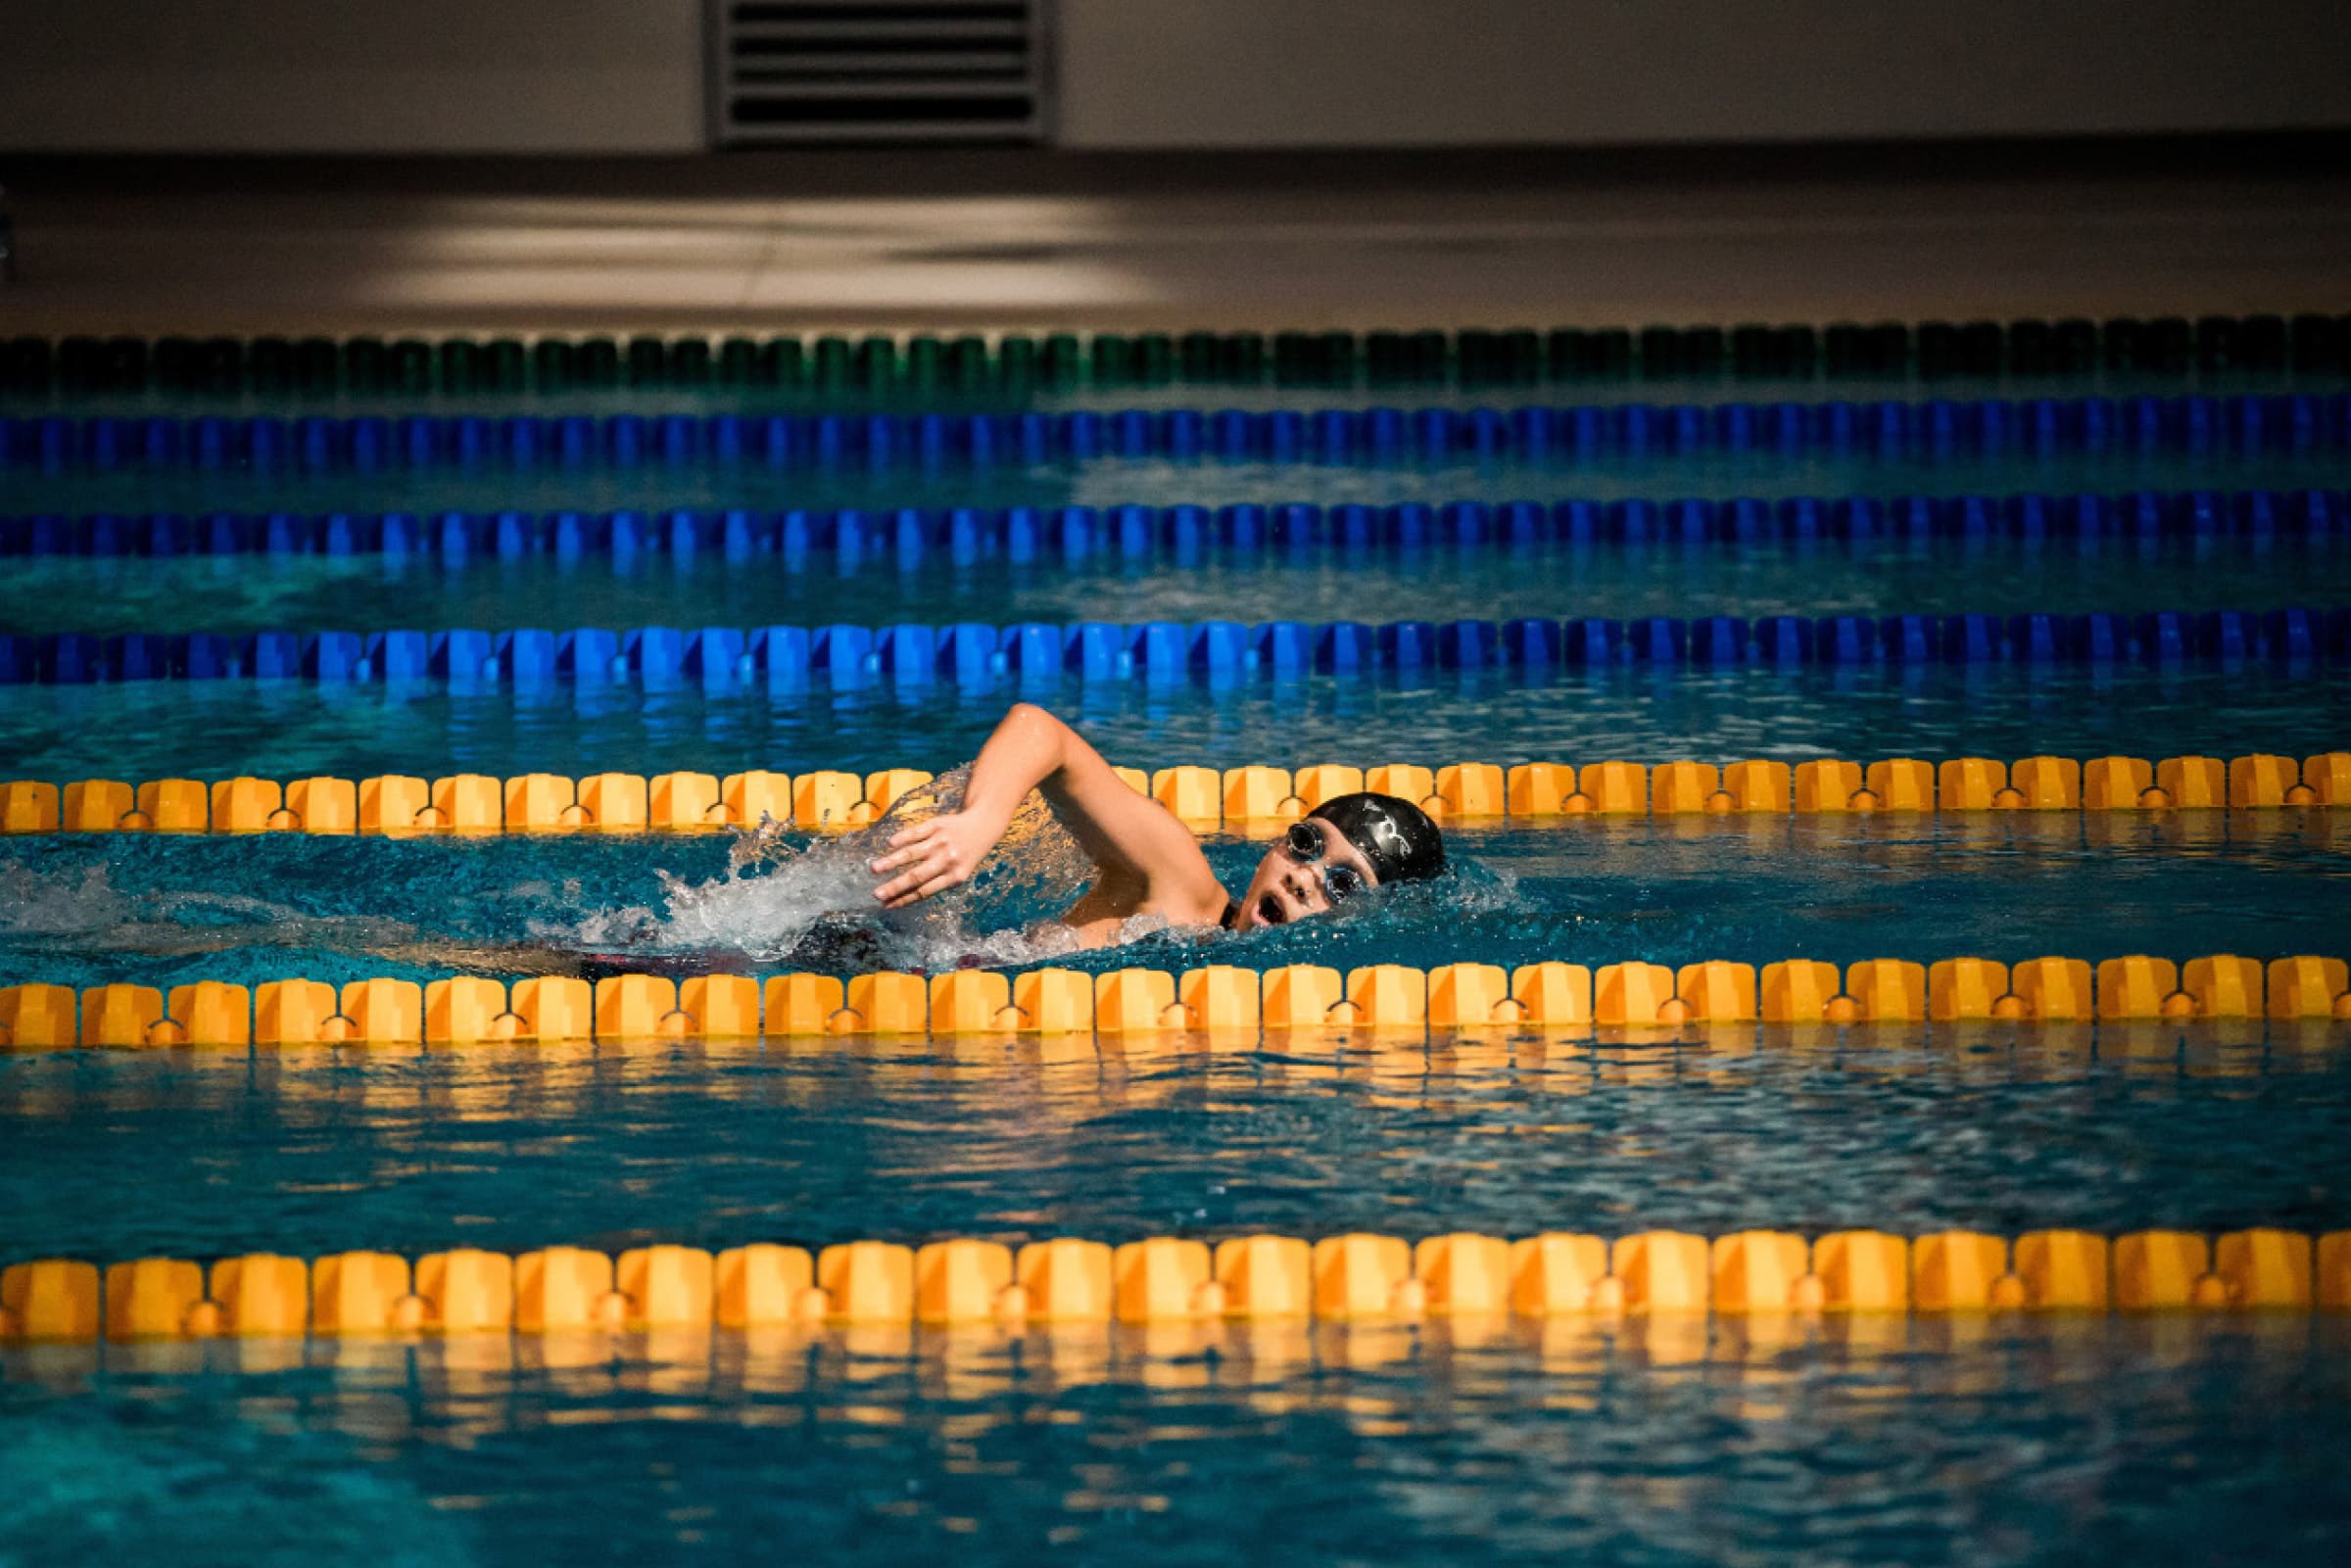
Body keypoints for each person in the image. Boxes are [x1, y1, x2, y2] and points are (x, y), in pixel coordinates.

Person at [869, 703, 1445, 943]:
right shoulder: (1179, 885)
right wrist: (980, 821)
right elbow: (1040, 730)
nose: (1305, 877)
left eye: (1342, 884)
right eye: (1306, 843)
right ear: (1275, 844)